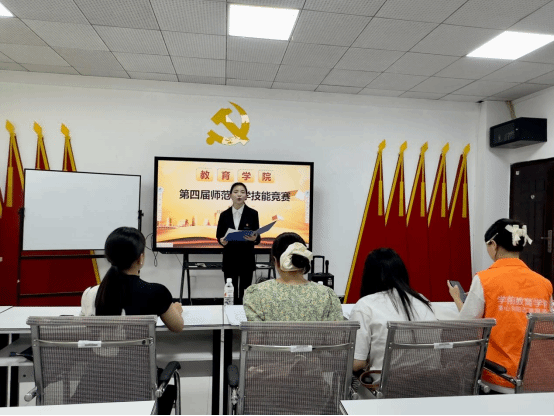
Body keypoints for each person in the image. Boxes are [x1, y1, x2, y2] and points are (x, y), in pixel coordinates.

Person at [448, 219, 553, 394]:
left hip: (500, 378)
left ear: (494, 244)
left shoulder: (484, 279)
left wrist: (457, 299)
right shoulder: (544, 284)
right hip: (539, 378)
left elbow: (466, 324)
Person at [349, 248, 437, 379]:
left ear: (369, 276)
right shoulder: (422, 301)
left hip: (386, 388)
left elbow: (356, 363)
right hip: (430, 384)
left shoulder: (365, 305)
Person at [81, 227, 184, 332]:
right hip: (140, 344)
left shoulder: (89, 293)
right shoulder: (157, 293)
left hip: (102, 344)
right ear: (140, 258)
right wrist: (177, 310)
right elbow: (177, 327)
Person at [243, 232, 343, 321]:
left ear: (275, 261)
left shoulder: (256, 295)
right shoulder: (327, 295)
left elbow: (255, 335)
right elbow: (336, 335)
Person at [216, 182, 261, 305]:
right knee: (231, 292)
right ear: (230, 195)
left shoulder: (253, 214)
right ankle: (230, 314)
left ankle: (245, 314)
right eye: (236, 192)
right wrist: (222, 241)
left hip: (247, 258)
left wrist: (254, 239)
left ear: (246, 196)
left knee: (246, 293)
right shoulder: (224, 215)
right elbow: (219, 236)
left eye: (242, 192)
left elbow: (258, 238)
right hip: (230, 258)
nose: (239, 195)